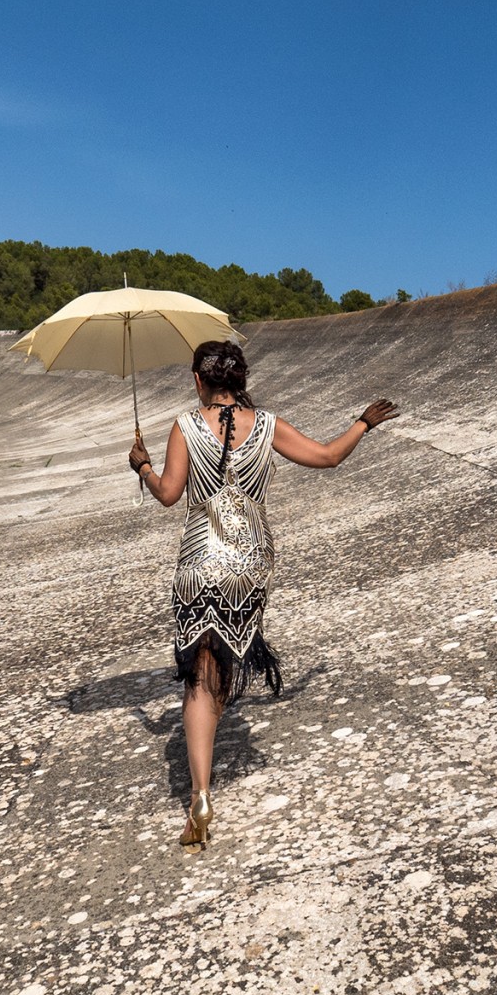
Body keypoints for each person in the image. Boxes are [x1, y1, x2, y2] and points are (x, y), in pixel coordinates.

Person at [128, 340, 398, 847]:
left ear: (196, 380)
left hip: (198, 562)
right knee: (223, 667)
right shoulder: (267, 424)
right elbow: (327, 457)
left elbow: (168, 495)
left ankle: (200, 794)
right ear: (241, 378)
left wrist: (141, 465)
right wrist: (363, 422)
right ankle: (204, 773)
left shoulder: (185, 426)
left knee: (198, 676)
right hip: (249, 565)